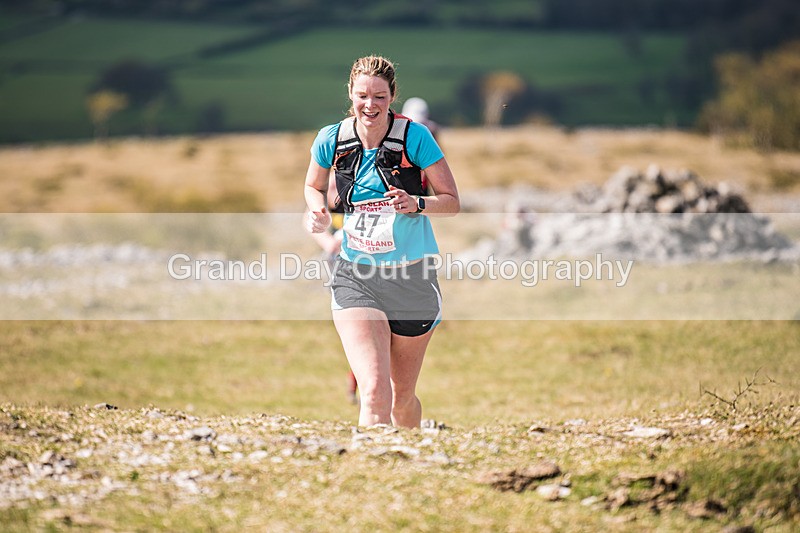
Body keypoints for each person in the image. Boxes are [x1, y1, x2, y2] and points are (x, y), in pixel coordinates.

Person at [304, 55, 459, 428]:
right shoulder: (331, 139)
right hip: (356, 274)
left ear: (392, 97)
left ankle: (407, 469)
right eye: (362, 96)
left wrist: (416, 203)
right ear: (350, 94)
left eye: (379, 97)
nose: (369, 105)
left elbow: (452, 202)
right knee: (373, 392)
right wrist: (318, 211)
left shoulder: (414, 137)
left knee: (400, 398)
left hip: (412, 278)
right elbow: (313, 186)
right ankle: (372, 472)